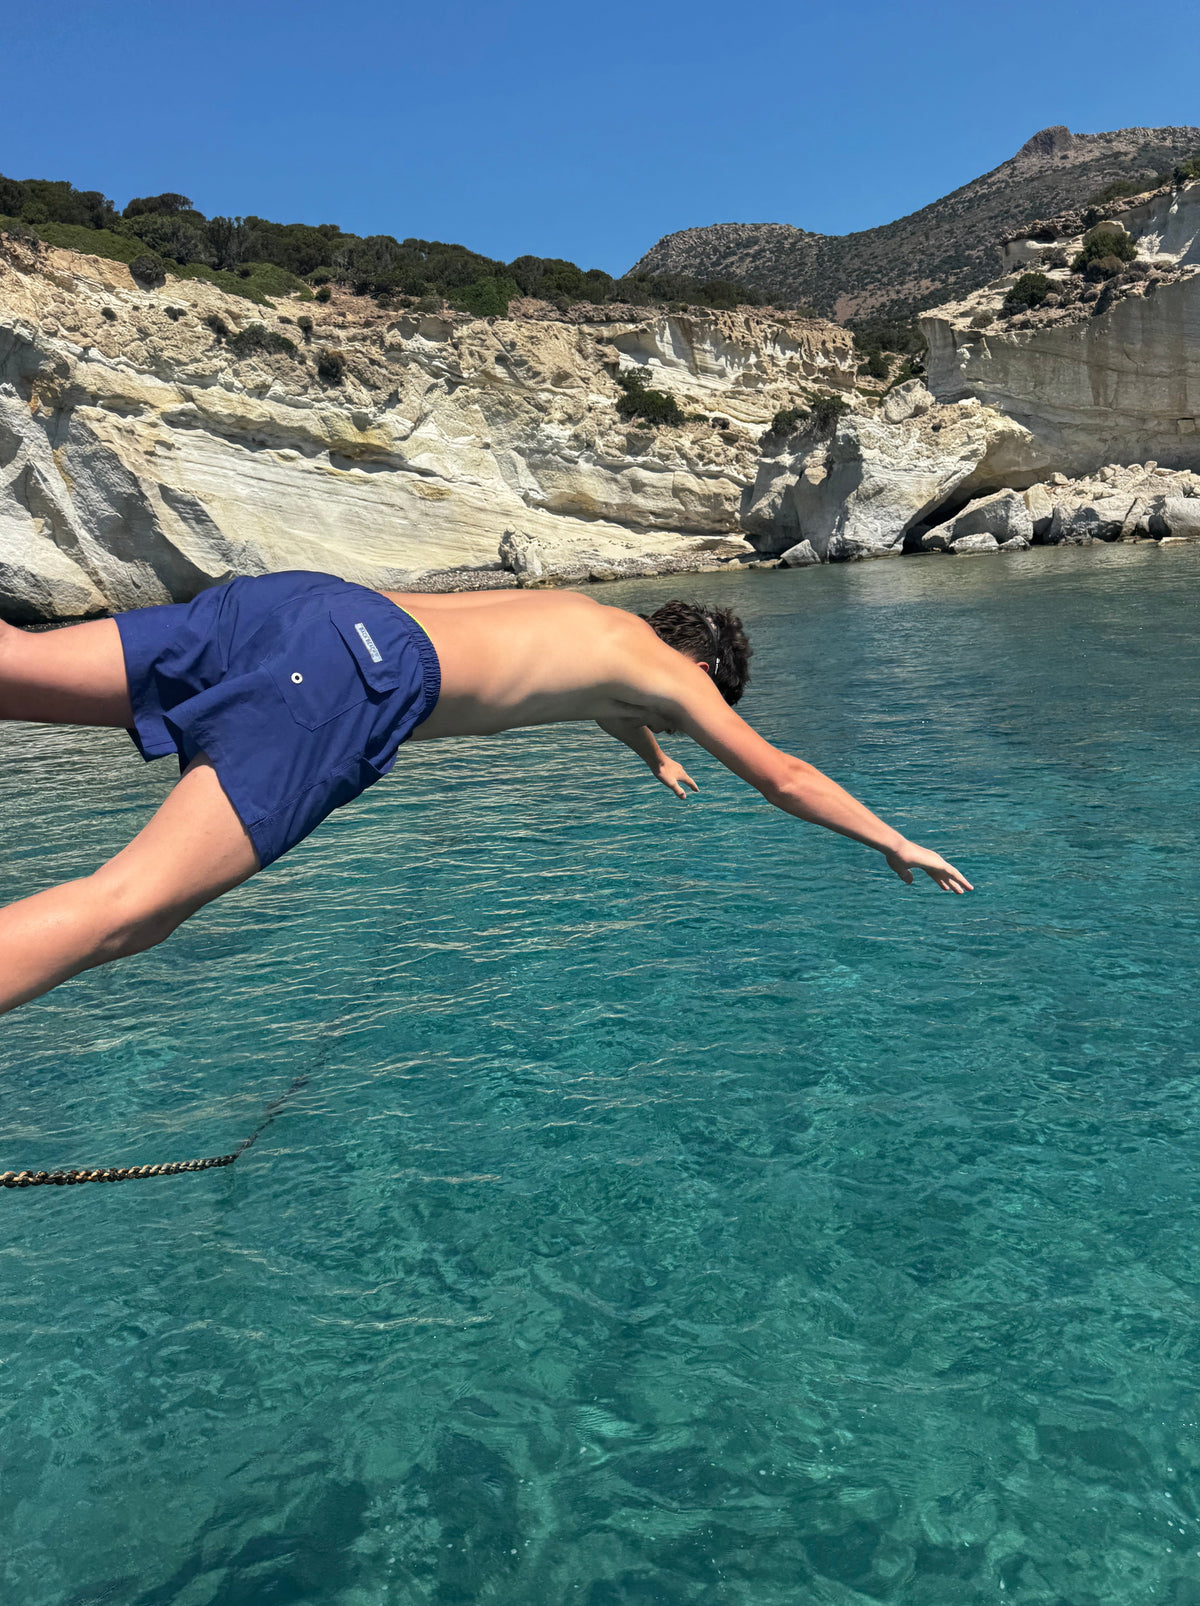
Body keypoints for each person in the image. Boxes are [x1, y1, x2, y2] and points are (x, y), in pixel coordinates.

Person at [0, 569, 971, 1015]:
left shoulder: (588, 620)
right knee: (131, 909)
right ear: (698, 675)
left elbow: (592, 692)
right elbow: (782, 774)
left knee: (21, 666)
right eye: (687, 714)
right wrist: (891, 838)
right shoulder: (676, 678)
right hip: (358, 676)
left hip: (304, 601)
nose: (683, 720)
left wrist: (650, 752)